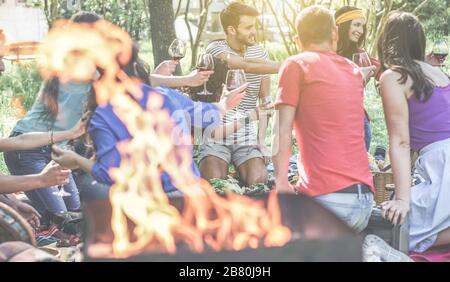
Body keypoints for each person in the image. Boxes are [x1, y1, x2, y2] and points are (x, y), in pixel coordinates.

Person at [51, 43, 250, 197]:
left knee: (92, 191)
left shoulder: (103, 113)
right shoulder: (165, 94)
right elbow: (211, 116)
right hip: (191, 194)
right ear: (138, 68)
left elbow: (108, 174)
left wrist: (76, 160)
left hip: (153, 205)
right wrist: (225, 104)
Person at [272, 5, 374, 233]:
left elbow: (281, 130)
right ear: (335, 34)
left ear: (297, 40)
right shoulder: (354, 70)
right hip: (364, 200)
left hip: (328, 202)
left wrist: (281, 182)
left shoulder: (295, 64)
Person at [3, 11, 102, 221]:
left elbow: (131, 82)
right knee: (62, 217)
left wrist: (11, 201)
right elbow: (130, 83)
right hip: (28, 151)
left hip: (52, 147)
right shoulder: (76, 69)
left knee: (75, 214)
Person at [377, 11, 450, 253]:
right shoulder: (439, 73)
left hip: (442, 164)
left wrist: (402, 199)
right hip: (439, 164)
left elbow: (400, 141)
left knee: (395, 228)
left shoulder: (393, 76)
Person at [198, 2, 275, 187]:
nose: (253, 32)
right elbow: (241, 64)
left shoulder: (260, 53)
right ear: (231, 29)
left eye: (254, 26)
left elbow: (265, 102)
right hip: (216, 134)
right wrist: (290, 65)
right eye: (248, 27)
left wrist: (261, 142)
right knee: (214, 180)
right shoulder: (215, 50)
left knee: (258, 180)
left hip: (246, 136)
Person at [335, 6, 380, 151]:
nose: (360, 31)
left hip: (358, 123)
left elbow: (385, 69)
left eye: (362, 26)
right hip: (332, 122)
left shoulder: (361, 54)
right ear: (341, 26)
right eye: (356, 25)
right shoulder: (327, 54)